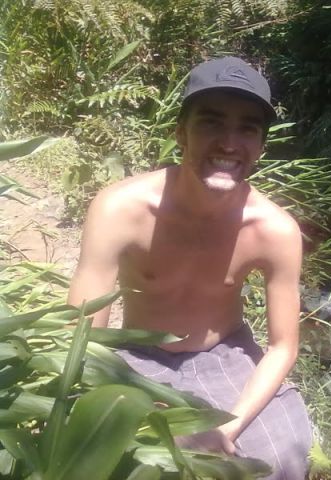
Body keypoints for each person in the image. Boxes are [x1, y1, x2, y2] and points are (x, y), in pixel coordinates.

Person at [67, 56, 313, 479]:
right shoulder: (120, 209)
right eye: (211, 122)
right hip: (134, 354)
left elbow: (282, 348)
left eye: (247, 129)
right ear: (180, 132)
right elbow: (81, 333)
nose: (229, 143)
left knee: (283, 461)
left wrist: (226, 426)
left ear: (260, 146)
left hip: (226, 355)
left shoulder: (276, 231)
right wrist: (166, 417)